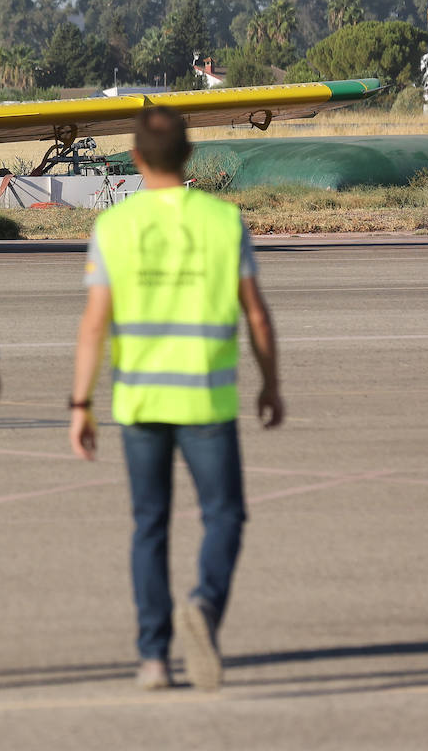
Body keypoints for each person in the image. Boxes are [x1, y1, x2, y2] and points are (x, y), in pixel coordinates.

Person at [68, 106, 283, 692]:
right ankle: (205, 607)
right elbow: (256, 315)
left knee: (150, 527)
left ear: (135, 159)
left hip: (140, 403)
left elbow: (94, 324)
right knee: (225, 516)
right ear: (190, 157)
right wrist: (271, 383)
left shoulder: (114, 227)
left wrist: (80, 403)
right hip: (206, 404)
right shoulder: (223, 220)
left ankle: (153, 658)